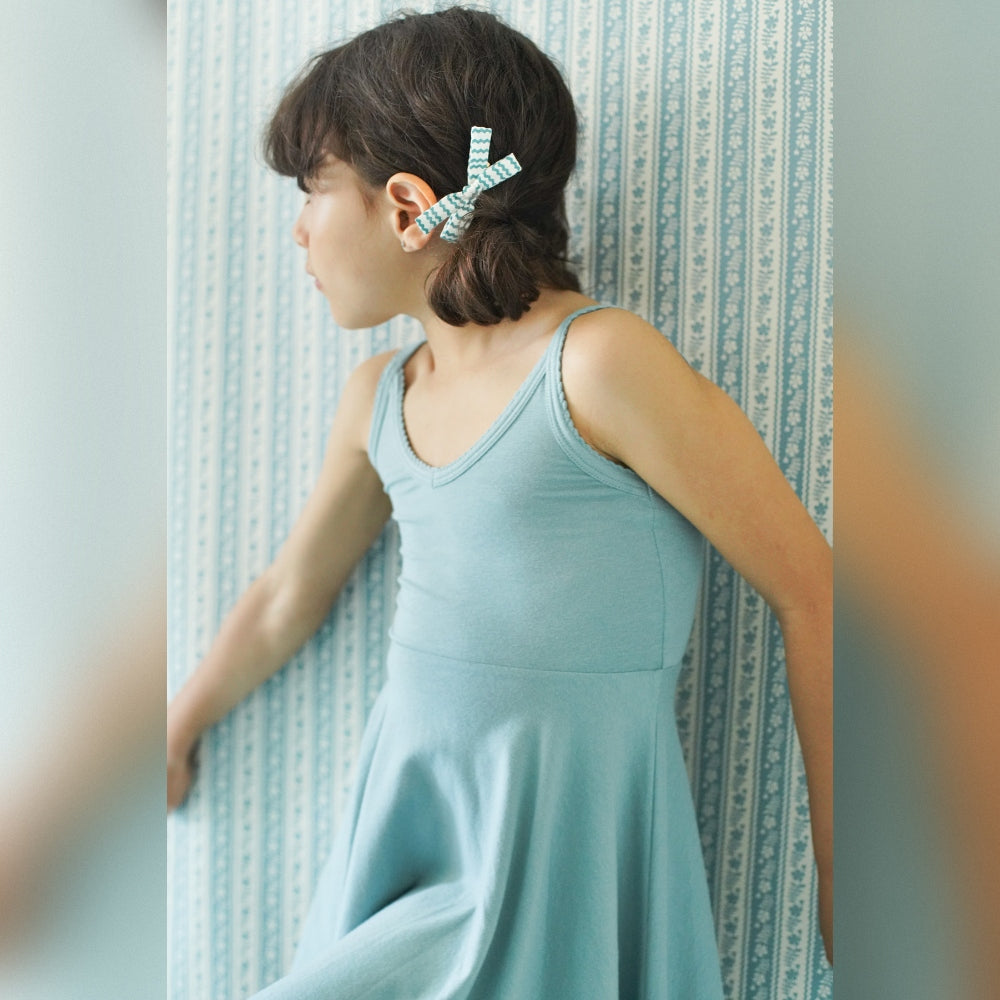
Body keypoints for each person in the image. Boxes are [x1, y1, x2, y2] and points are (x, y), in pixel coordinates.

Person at [166, 7, 832, 997]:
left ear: (406, 208)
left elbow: (811, 589)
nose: (299, 230)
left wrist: (845, 869)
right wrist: (179, 722)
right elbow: (286, 597)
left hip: (557, 844)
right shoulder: (380, 396)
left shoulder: (597, 364)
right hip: (408, 828)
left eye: (312, 192)